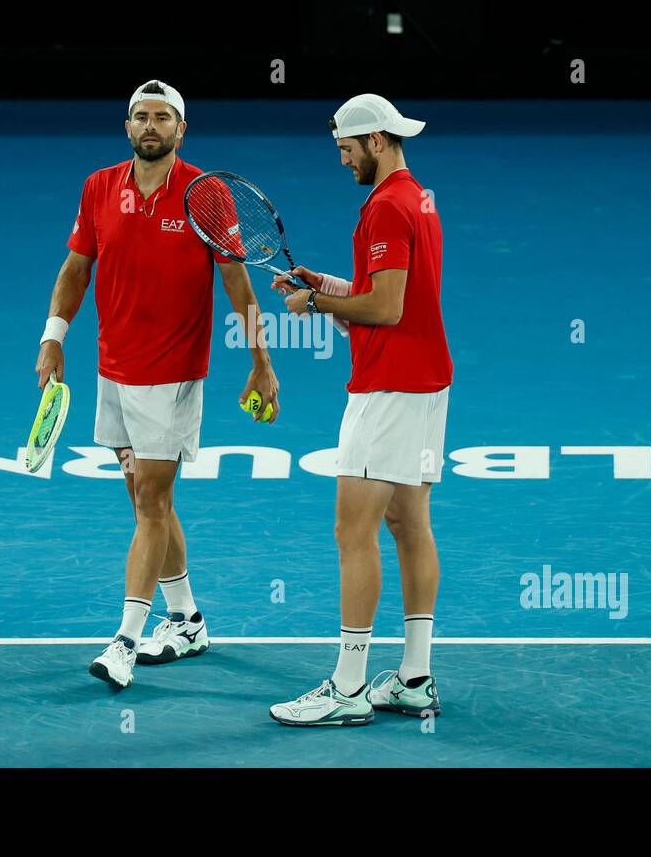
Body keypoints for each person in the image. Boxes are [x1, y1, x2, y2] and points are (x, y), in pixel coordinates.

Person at [35, 80, 278, 689]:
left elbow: (237, 283)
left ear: (181, 130)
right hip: (113, 371)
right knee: (147, 502)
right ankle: (188, 619)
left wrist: (260, 360)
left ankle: (125, 640)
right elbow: (76, 267)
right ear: (127, 128)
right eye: (141, 117)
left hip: (171, 375)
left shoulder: (208, 195)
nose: (151, 126)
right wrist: (53, 335)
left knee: (150, 503)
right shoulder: (98, 187)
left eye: (163, 118)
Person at [267, 94, 452, 726]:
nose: (343, 162)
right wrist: (330, 286)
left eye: (347, 150)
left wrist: (316, 308)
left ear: (376, 140)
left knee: (354, 533)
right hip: (427, 385)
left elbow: (387, 310)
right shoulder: (418, 198)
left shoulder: (385, 207)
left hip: (388, 391)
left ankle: (347, 688)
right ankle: (415, 678)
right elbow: (388, 296)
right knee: (408, 526)